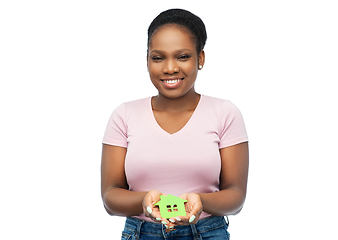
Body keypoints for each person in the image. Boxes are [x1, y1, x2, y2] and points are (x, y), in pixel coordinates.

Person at [101, 8, 249, 239]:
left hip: (207, 232)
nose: (170, 68)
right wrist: (144, 201)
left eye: (182, 56)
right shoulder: (124, 115)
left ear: (200, 58)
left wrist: (201, 202)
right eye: (158, 57)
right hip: (141, 233)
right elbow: (110, 197)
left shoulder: (224, 113)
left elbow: (236, 197)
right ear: (147, 59)